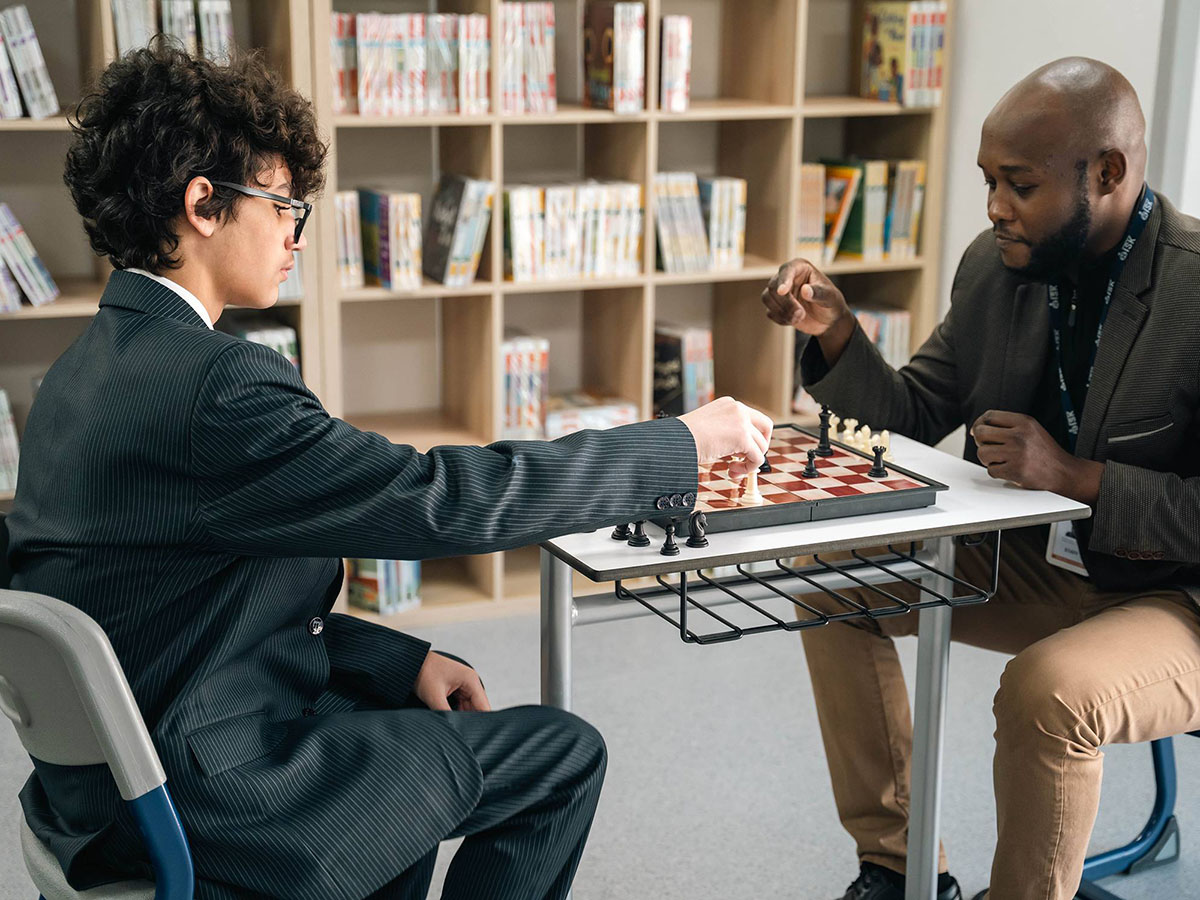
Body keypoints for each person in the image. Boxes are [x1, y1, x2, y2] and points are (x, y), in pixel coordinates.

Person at [4, 43, 772, 900]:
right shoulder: (217, 386)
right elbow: (439, 503)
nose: (297, 231)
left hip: (104, 793)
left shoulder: (76, 373)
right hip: (207, 801)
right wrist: (679, 444)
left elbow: (183, 603)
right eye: (285, 204)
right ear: (204, 205)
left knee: (407, 734)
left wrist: (395, 661)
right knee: (562, 754)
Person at [761, 57, 1200, 900]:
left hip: (1176, 599)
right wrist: (838, 335)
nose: (995, 206)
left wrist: (1078, 479)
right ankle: (899, 865)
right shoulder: (998, 267)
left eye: (1020, 184)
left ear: (1107, 173)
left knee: (1047, 693)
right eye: (989, 180)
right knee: (830, 576)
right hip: (1045, 562)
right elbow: (917, 409)